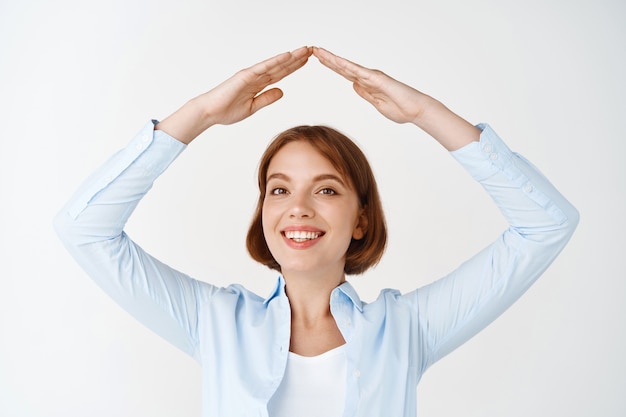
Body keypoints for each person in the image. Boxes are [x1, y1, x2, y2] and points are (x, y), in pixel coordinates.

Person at [54, 46, 579, 417]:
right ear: (263, 211)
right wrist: (203, 113)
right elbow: (85, 230)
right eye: (279, 190)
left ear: (361, 220)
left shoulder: (407, 329)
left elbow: (546, 224)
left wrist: (424, 113)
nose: (298, 209)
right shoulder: (212, 323)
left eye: (326, 190)